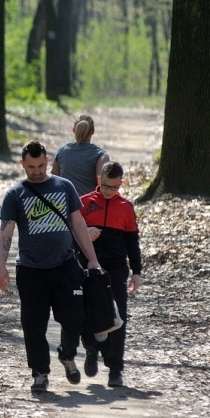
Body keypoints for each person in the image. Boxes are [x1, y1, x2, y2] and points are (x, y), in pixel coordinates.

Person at [0, 141, 102, 395]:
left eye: (41, 165)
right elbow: (6, 232)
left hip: (65, 265)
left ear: (48, 160)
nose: (36, 171)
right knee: (33, 325)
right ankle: (40, 373)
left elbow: (78, 225)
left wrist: (92, 259)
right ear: (22, 165)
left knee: (74, 318)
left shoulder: (64, 186)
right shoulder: (15, 194)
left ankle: (66, 354)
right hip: (31, 270)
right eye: (31, 167)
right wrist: (1, 266)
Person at [78, 161, 142, 388]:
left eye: (114, 187)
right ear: (98, 181)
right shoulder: (84, 203)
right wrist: (85, 232)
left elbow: (132, 242)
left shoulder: (126, 207)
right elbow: (70, 233)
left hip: (116, 270)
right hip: (89, 268)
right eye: (105, 186)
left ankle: (115, 369)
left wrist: (137, 272)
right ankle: (91, 349)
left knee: (118, 317)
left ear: (121, 184)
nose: (109, 191)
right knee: (88, 312)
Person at [51, 114, 109, 197]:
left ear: (74, 130)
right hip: (90, 207)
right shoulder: (101, 156)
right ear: (93, 131)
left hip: (65, 204)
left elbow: (53, 180)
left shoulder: (63, 150)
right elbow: (104, 186)